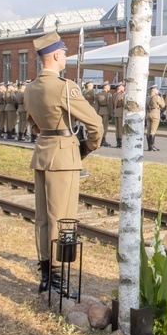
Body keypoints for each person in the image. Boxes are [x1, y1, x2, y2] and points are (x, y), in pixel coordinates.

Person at [24, 31, 103, 294]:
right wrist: (86, 147)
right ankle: (59, 281)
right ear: (56, 55)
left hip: (42, 153)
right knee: (63, 219)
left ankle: (46, 275)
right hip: (65, 156)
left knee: (43, 219)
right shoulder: (63, 87)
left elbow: (33, 124)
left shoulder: (31, 87)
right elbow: (96, 124)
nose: (65, 57)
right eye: (64, 54)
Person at [145, 84, 165, 151]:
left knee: (148, 131)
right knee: (153, 131)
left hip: (149, 113)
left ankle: (149, 146)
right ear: (153, 90)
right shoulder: (156, 97)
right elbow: (163, 105)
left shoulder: (147, 97)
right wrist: (161, 96)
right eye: (156, 89)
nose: (157, 90)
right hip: (155, 114)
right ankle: (152, 146)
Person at [95, 82, 111, 147]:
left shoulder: (99, 94)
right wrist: (111, 113)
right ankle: (103, 140)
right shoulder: (108, 94)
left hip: (100, 111)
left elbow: (97, 105)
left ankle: (100, 139)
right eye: (108, 86)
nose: (109, 87)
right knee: (105, 127)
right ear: (106, 87)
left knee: (101, 126)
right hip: (106, 111)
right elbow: (109, 104)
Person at [112, 82, 126, 148]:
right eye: (122, 86)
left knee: (117, 128)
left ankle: (118, 141)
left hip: (116, 111)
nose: (123, 87)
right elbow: (124, 103)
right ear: (119, 87)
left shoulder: (114, 94)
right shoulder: (121, 95)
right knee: (120, 128)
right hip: (121, 111)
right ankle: (120, 142)